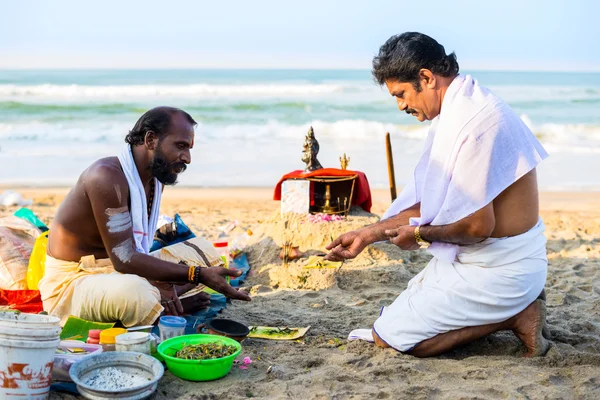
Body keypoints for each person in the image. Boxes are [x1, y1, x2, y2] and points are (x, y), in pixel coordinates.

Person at [326, 32, 549, 357]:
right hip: (485, 260)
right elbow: (431, 203)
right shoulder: (463, 107)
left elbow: (475, 228)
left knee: (390, 339)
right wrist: (366, 234)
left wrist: (419, 234)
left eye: (401, 94)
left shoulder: (474, 124)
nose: (401, 105)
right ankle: (511, 308)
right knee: (387, 321)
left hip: (502, 269)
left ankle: (516, 315)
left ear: (427, 78)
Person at [39, 106, 250, 327]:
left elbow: (133, 255)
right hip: (75, 283)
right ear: (150, 140)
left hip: (121, 268)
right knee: (137, 293)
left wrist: (184, 274)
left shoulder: (155, 179)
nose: (187, 158)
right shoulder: (105, 177)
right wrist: (196, 275)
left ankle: (164, 299)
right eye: (180, 146)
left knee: (205, 252)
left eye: (189, 148)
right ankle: (164, 304)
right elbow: (124, 259)